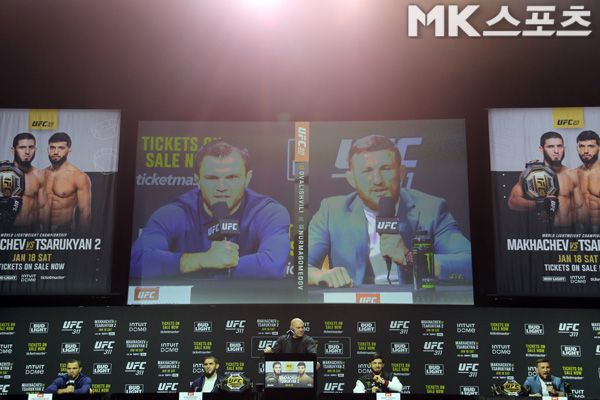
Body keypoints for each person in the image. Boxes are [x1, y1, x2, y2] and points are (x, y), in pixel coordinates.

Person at [308, 134, 471, 287]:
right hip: (354, 304)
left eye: (386, 169)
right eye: (367, 171)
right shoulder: (331, 211)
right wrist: (320, 276)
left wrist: (410, 258)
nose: (377, 180)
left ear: (401, 173)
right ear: (351, 179)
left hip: (414, 303)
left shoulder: (431, 208)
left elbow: (469, 263)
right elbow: (300, 266)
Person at [130, 140, 291, 279]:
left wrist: (206, 267)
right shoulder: (174, 213)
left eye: (231, 177)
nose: (221, 187)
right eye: (212, 178)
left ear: (247, 179)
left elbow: (272, 265)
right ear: (197, 180)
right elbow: (136, 261)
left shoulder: (268, 212)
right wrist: (203, 260)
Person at [508, 131, 583, 228]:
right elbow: (513, 202)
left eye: (559, 146)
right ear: (541, 149)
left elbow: (582, 208)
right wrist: (539, 204)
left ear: (564, 148)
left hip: (568, 232)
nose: (556, 151)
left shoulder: (573, 175)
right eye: (550, 147)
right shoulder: (531, 174)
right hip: (542, 231)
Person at [44, 132, 92, 233]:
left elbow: (85, 213)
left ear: (69, 150)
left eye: (61, 148)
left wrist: (81, 239)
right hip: (40, 231)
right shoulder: (41, 174)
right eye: (52, 147)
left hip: (64, 231)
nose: (55, 152)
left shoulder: (79, 177)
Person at [11, 132, 49, 231]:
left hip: (32, 230)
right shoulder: (2, 174)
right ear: (13, 150)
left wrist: (47, 235)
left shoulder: (39, 175)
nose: (27, 152)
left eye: (31, 147)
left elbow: (43, 207)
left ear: (35, 149)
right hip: (6, 230)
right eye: (22, 147)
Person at [575, 130, 600, 232]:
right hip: (581, 231)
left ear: (599, 148)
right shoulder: (574, 174)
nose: (586, 151)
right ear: (577, 148)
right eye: (581, 146)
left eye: (591, 146)